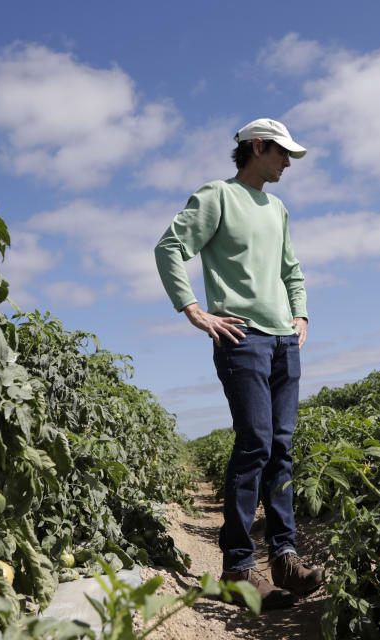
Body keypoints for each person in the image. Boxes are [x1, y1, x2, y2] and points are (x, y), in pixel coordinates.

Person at [154, 118, 323, 609]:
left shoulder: (277, 208)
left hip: (283, 341)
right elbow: (169, 247)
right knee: (255, 442)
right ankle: (237, 567)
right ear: (256, 147)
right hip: (241, 337)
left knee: (283, 447)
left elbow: (292, 268)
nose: (287, 163)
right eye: (281, 154)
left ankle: (285, 558)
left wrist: (301, 313)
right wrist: (194, 310)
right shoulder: (216, 197)